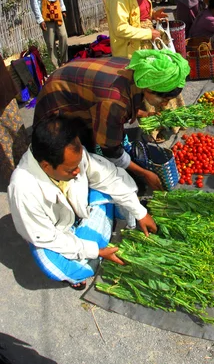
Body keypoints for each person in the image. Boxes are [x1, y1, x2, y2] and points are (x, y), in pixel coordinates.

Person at [8, 115, 158, 289]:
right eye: (71, 169)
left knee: (119, 188)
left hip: (80, 208)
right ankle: (95, 247)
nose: (78, 171)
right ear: (46, 166)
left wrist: (141, 213)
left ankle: (100, 233)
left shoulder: (72, 156)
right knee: (57, 267)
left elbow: (108, 177)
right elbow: (49, 238)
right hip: (56, 232)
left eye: (79, 163)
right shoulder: (23, 190)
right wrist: (96, 251)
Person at [33, 51, 190, 191]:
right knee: (62, 149)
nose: (164, 105)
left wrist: (141, 113)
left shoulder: (137, 70)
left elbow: (122, 99)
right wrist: (144, 173)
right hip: (59, 94)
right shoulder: (115, 101)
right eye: (164, 99)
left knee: (91, 138)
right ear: (149, 88)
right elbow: (111, 150)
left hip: (77, 80)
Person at [0, 53, 29, 181]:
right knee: (5, 143)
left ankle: (27, 172)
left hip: (3, 93)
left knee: (16, 134)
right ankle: (16, 178)